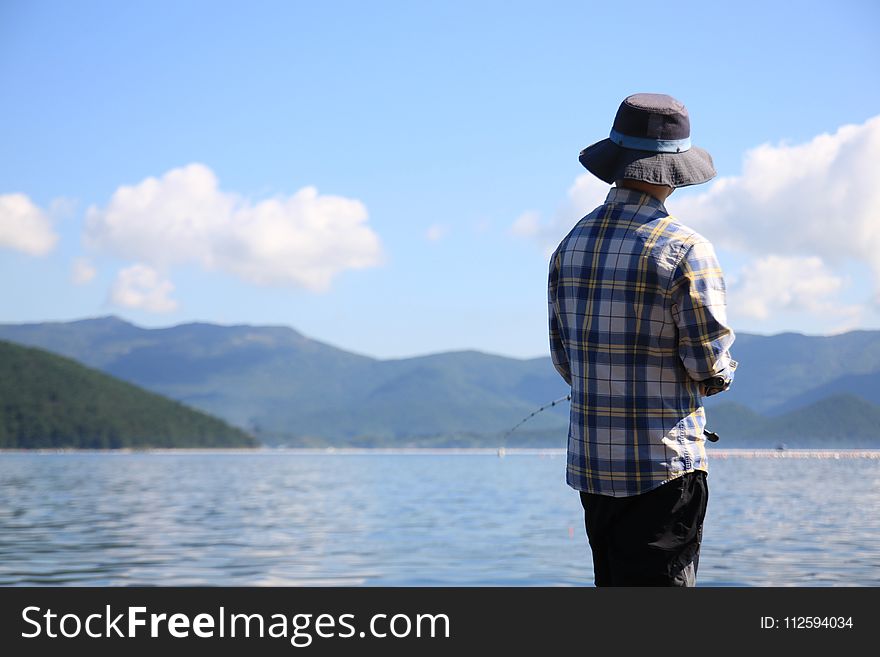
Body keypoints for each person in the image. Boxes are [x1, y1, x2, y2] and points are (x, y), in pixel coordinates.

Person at [547, 93, 737, 587]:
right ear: (674, 170)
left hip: (592, 467)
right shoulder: (686, 249)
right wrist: (722, 373)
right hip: (663, 470)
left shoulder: (571, 244)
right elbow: (707, 366)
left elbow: (564, 358)